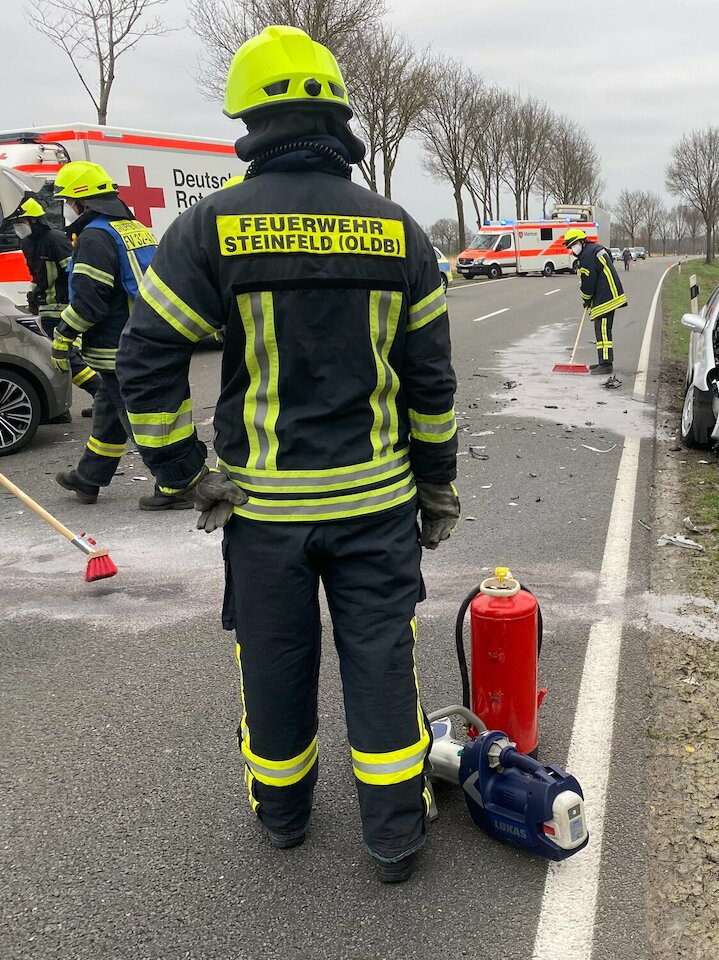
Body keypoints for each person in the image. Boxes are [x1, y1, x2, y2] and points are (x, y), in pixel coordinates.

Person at [116, 25, 460, 884]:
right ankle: (392, 838)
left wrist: (186, 474)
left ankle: (284, 817)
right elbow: (432, 384)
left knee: (273, 659)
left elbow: (145, 358)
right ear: (339, 117)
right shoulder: (398, 231)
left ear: (248, 122)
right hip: (377, 507)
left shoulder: (209, 229)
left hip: (262, 515)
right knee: (381, 657)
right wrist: (439, 489)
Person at [49, 162, 191, 509]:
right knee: (110, 412)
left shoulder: (95, 237)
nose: (69, 209)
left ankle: (178, 484)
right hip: (146, 337)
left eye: (69, 201)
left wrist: (63, 335)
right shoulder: (134, 228)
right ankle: (89, 478)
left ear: (82, 203)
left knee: (140, 421)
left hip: (120, 347)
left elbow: (90, 302)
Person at [4, 195, 100, 415]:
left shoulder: (55, 238)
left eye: (21, 222)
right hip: (46, 307)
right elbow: (36, 275)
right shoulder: (27, 242)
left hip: (63, 306)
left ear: (34, 220)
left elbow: (73, 272)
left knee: (63, 355)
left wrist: (76, 301)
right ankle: (61, 409)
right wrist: (32, 295)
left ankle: (101, 392)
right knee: (58, 355)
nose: (18, 227)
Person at [565, 227, 627, 375]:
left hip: (606, 295)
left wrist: (585, 298)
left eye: (573, 245)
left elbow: (588, 282)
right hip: (606, 293)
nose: (572, 249)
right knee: (601, 329)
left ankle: (606, 364)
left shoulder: (587, 255)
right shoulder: (594, 250)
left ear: (581, 241)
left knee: (603, 331)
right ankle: (603, 362)